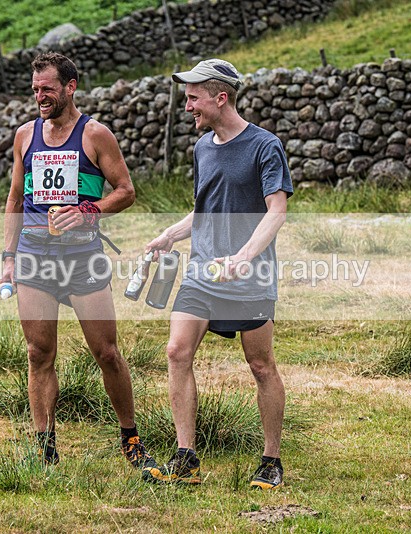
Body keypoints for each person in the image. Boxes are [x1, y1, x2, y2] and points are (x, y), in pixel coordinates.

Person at [0, 52, 156, 472]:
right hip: (34, 254)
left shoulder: (95, 135)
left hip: (82, 256)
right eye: (35, 90)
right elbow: (15, 199)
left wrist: (89, 212)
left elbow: (125, 190)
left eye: (47, 89)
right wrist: (8, 257)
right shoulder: (24, 136)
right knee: (38, 353)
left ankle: (130, 438)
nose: (40, 97)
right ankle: (45, 448)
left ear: (70, 87)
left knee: (105, 352)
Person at [142, 59, 293, 489]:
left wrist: (244, 255)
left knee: (260, 365)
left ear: (219, 97)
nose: (187, 106)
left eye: (192, 98)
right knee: (176, 351)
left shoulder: (266, 146)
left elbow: (276, 210)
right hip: (202, 272)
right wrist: (169, 235)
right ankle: (186, 458)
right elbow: (204, 208)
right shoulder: (202, 147)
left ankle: (271, 460)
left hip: (250, 275)